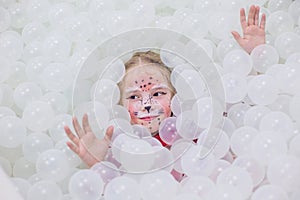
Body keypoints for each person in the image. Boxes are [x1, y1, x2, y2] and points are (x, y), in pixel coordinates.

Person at [64, 5, 266, 168]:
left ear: (175, 96)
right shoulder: (123, 149)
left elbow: (244, 107)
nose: (147, 104)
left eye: (158, 92)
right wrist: (98, 163)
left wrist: (255, 56)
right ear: (119, 105)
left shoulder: (195, 124)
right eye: (134, 97)